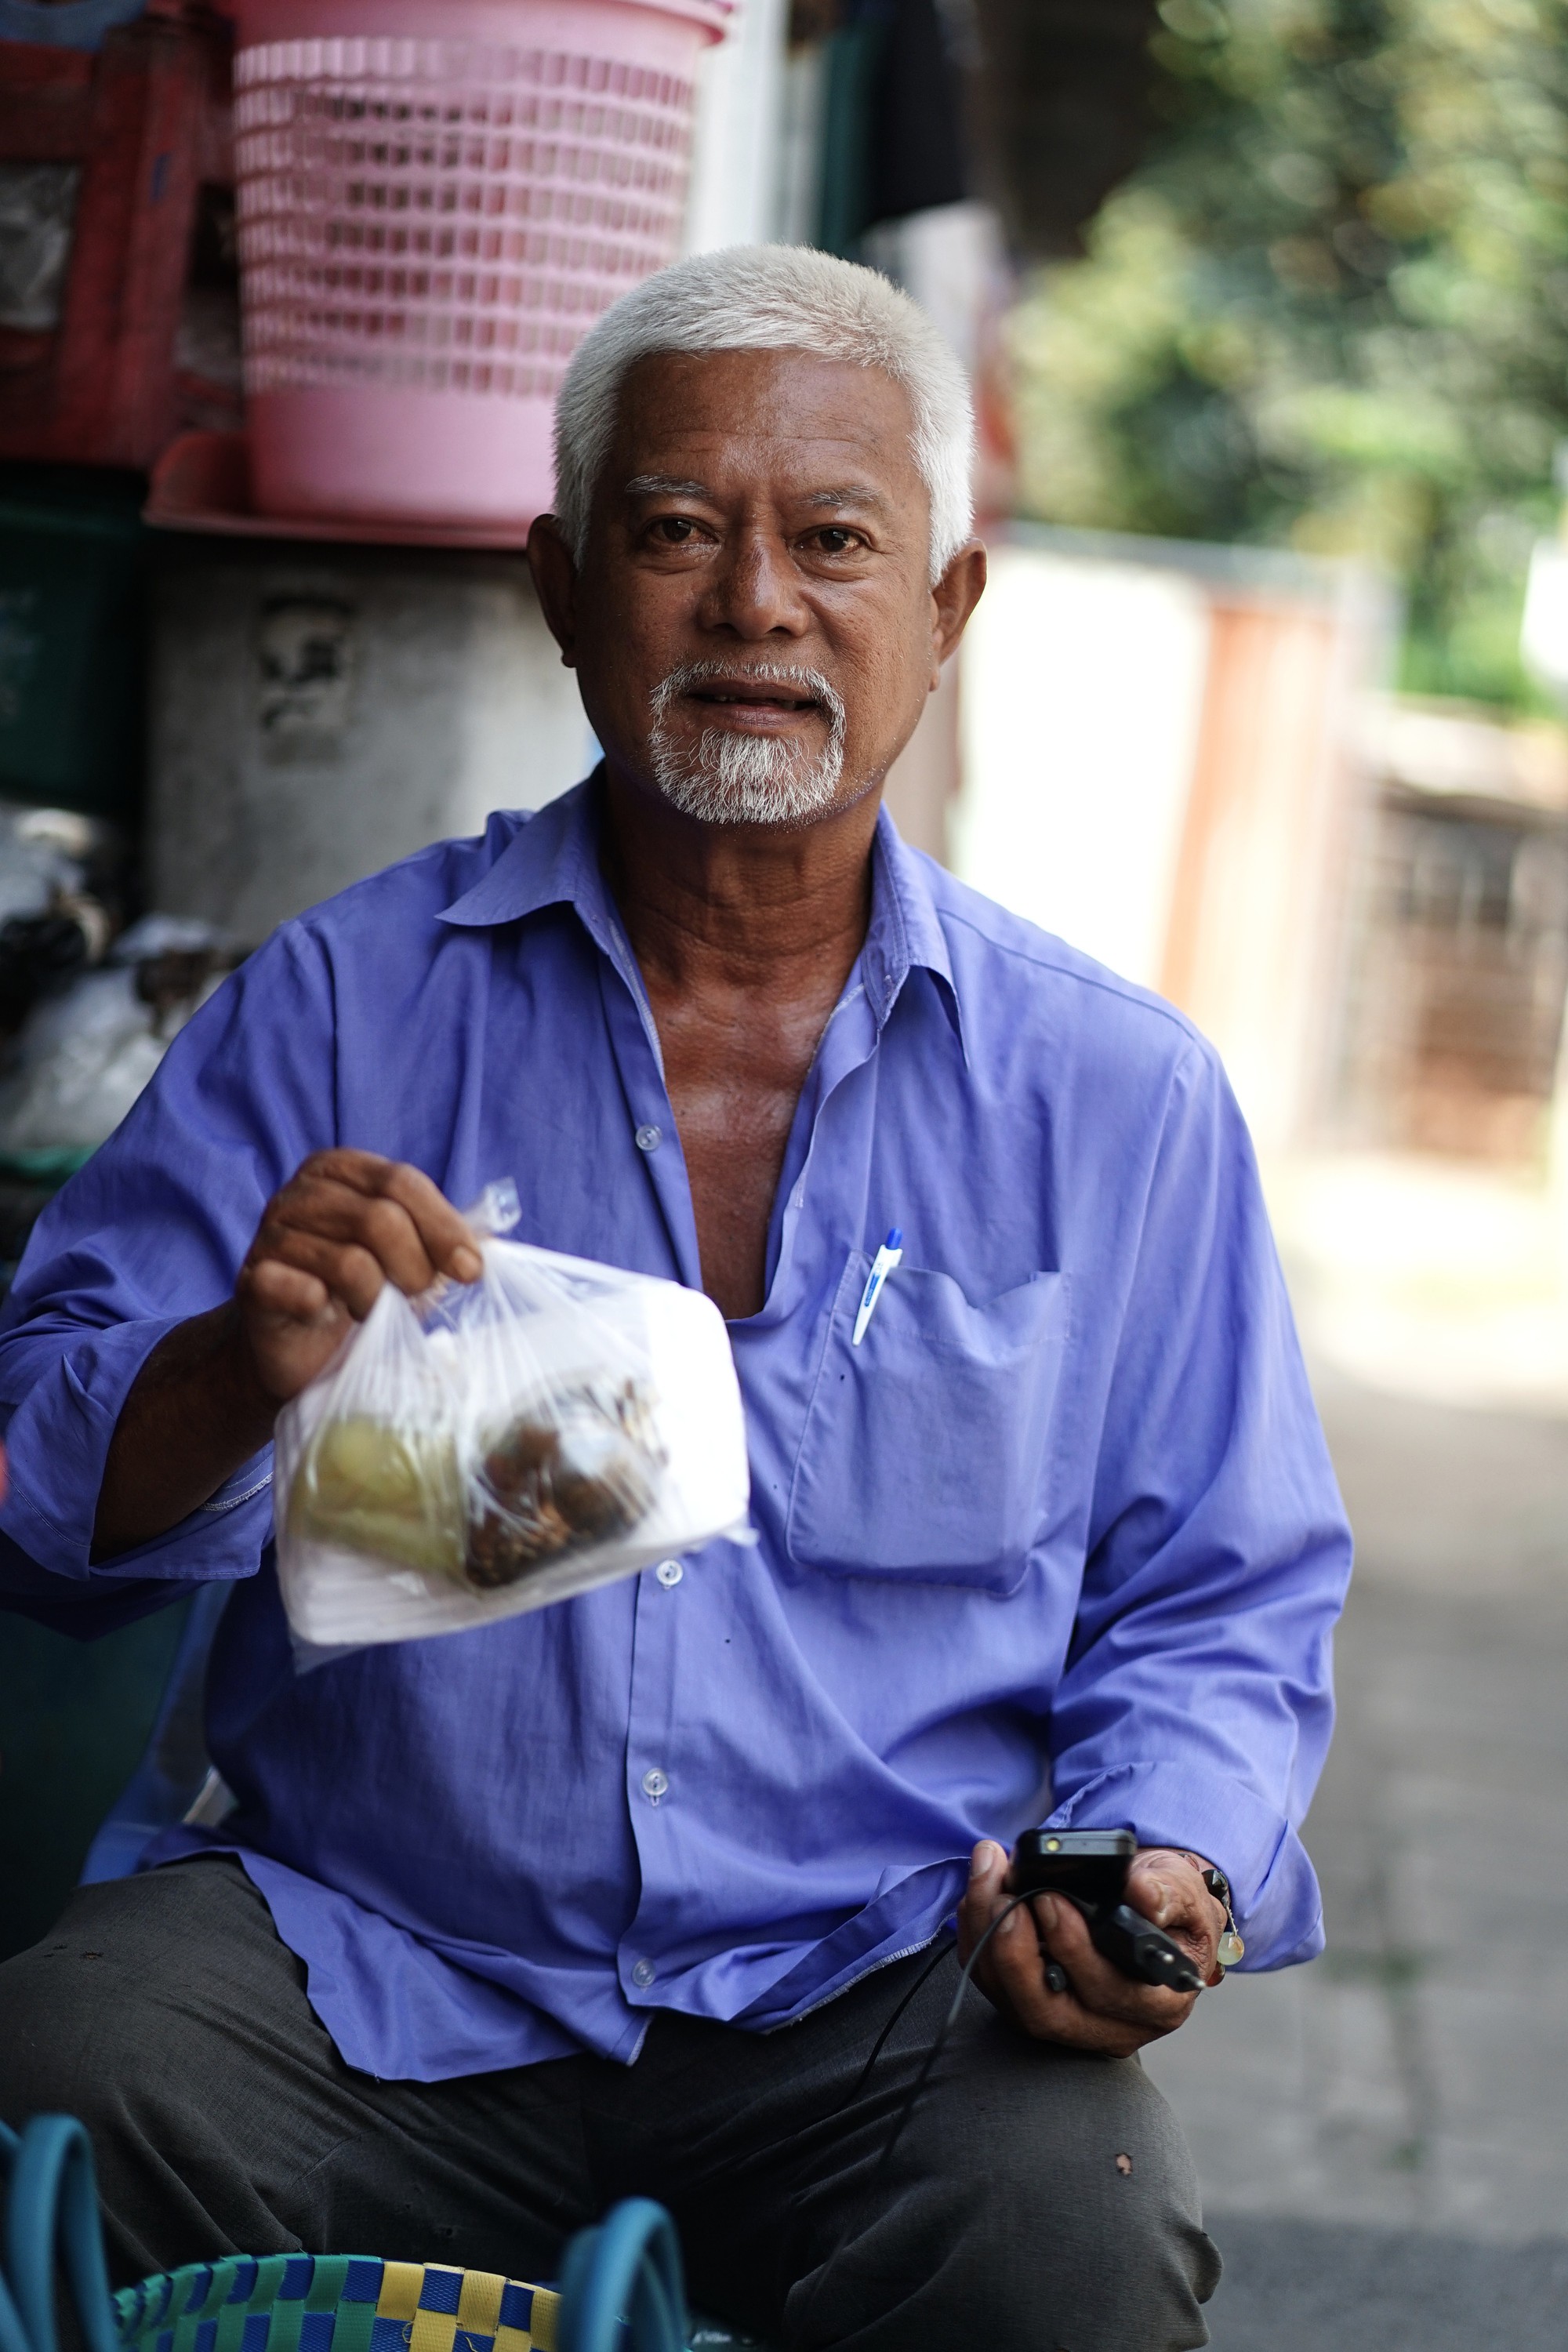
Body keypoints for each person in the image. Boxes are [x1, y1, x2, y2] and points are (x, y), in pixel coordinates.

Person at [0, 245, 1351, 2352]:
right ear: (558, 590)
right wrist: (233, 1373)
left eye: (833, 540)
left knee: (1068, 2247)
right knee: (61, 2072)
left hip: (884, 1994)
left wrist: (1165, 1857)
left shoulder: (1119, 1099)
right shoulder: (338, 1008)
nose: (752, 604)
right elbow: (39, 1492)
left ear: (947, 612)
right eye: (674, 534)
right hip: (383, 1963)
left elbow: (1223, 1596)